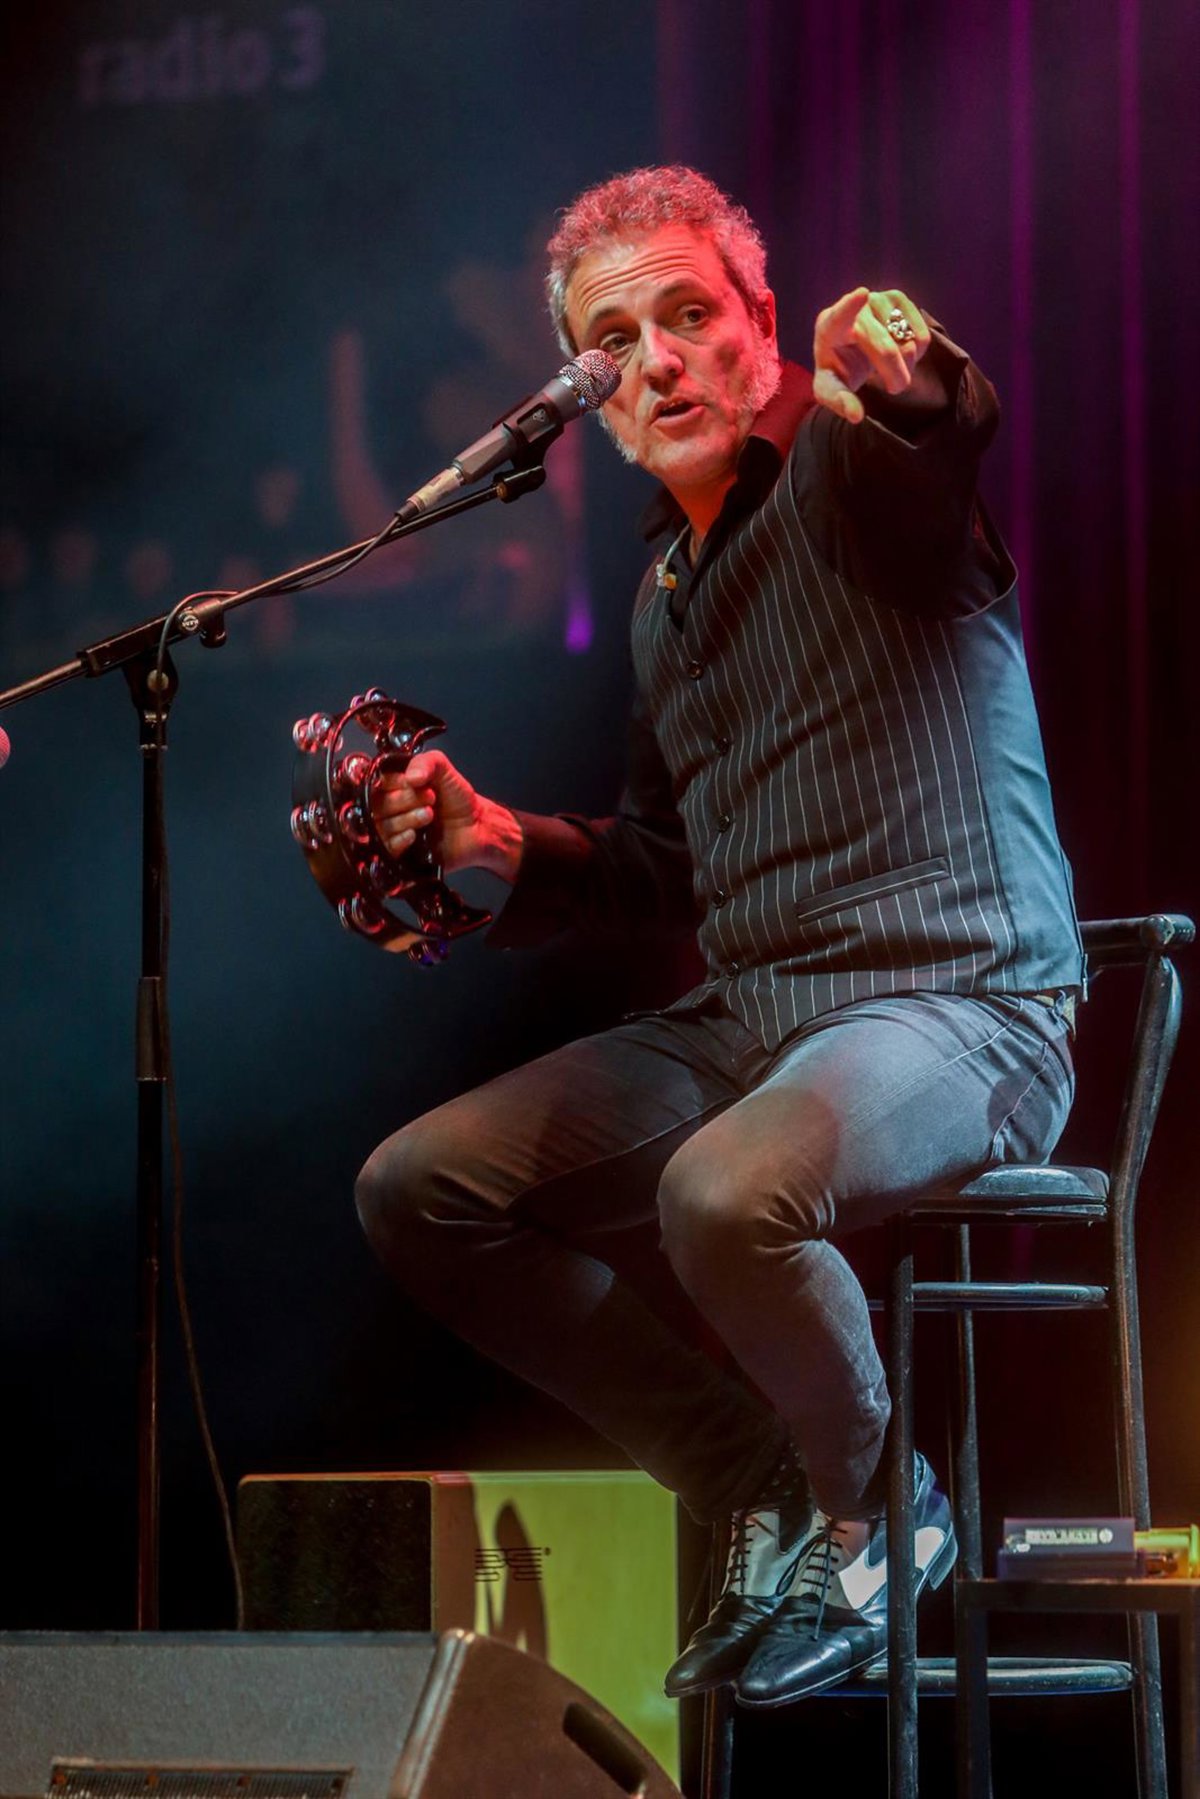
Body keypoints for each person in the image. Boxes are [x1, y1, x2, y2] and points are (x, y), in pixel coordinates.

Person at [355, 166, 1083, 1708]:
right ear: (585, 395)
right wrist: (493, 842)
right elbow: (665, 866)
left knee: (724, 1190)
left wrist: (907, 379)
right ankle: (756, 1473)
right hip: (765, 1021)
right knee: (424, 1189)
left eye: (691, 315)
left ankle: (879, 1518)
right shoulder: (665, 597)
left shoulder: (847, 472)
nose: (660, 360)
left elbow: (936, 436)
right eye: (614, 343)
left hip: (962, 1007)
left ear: (761, 327)